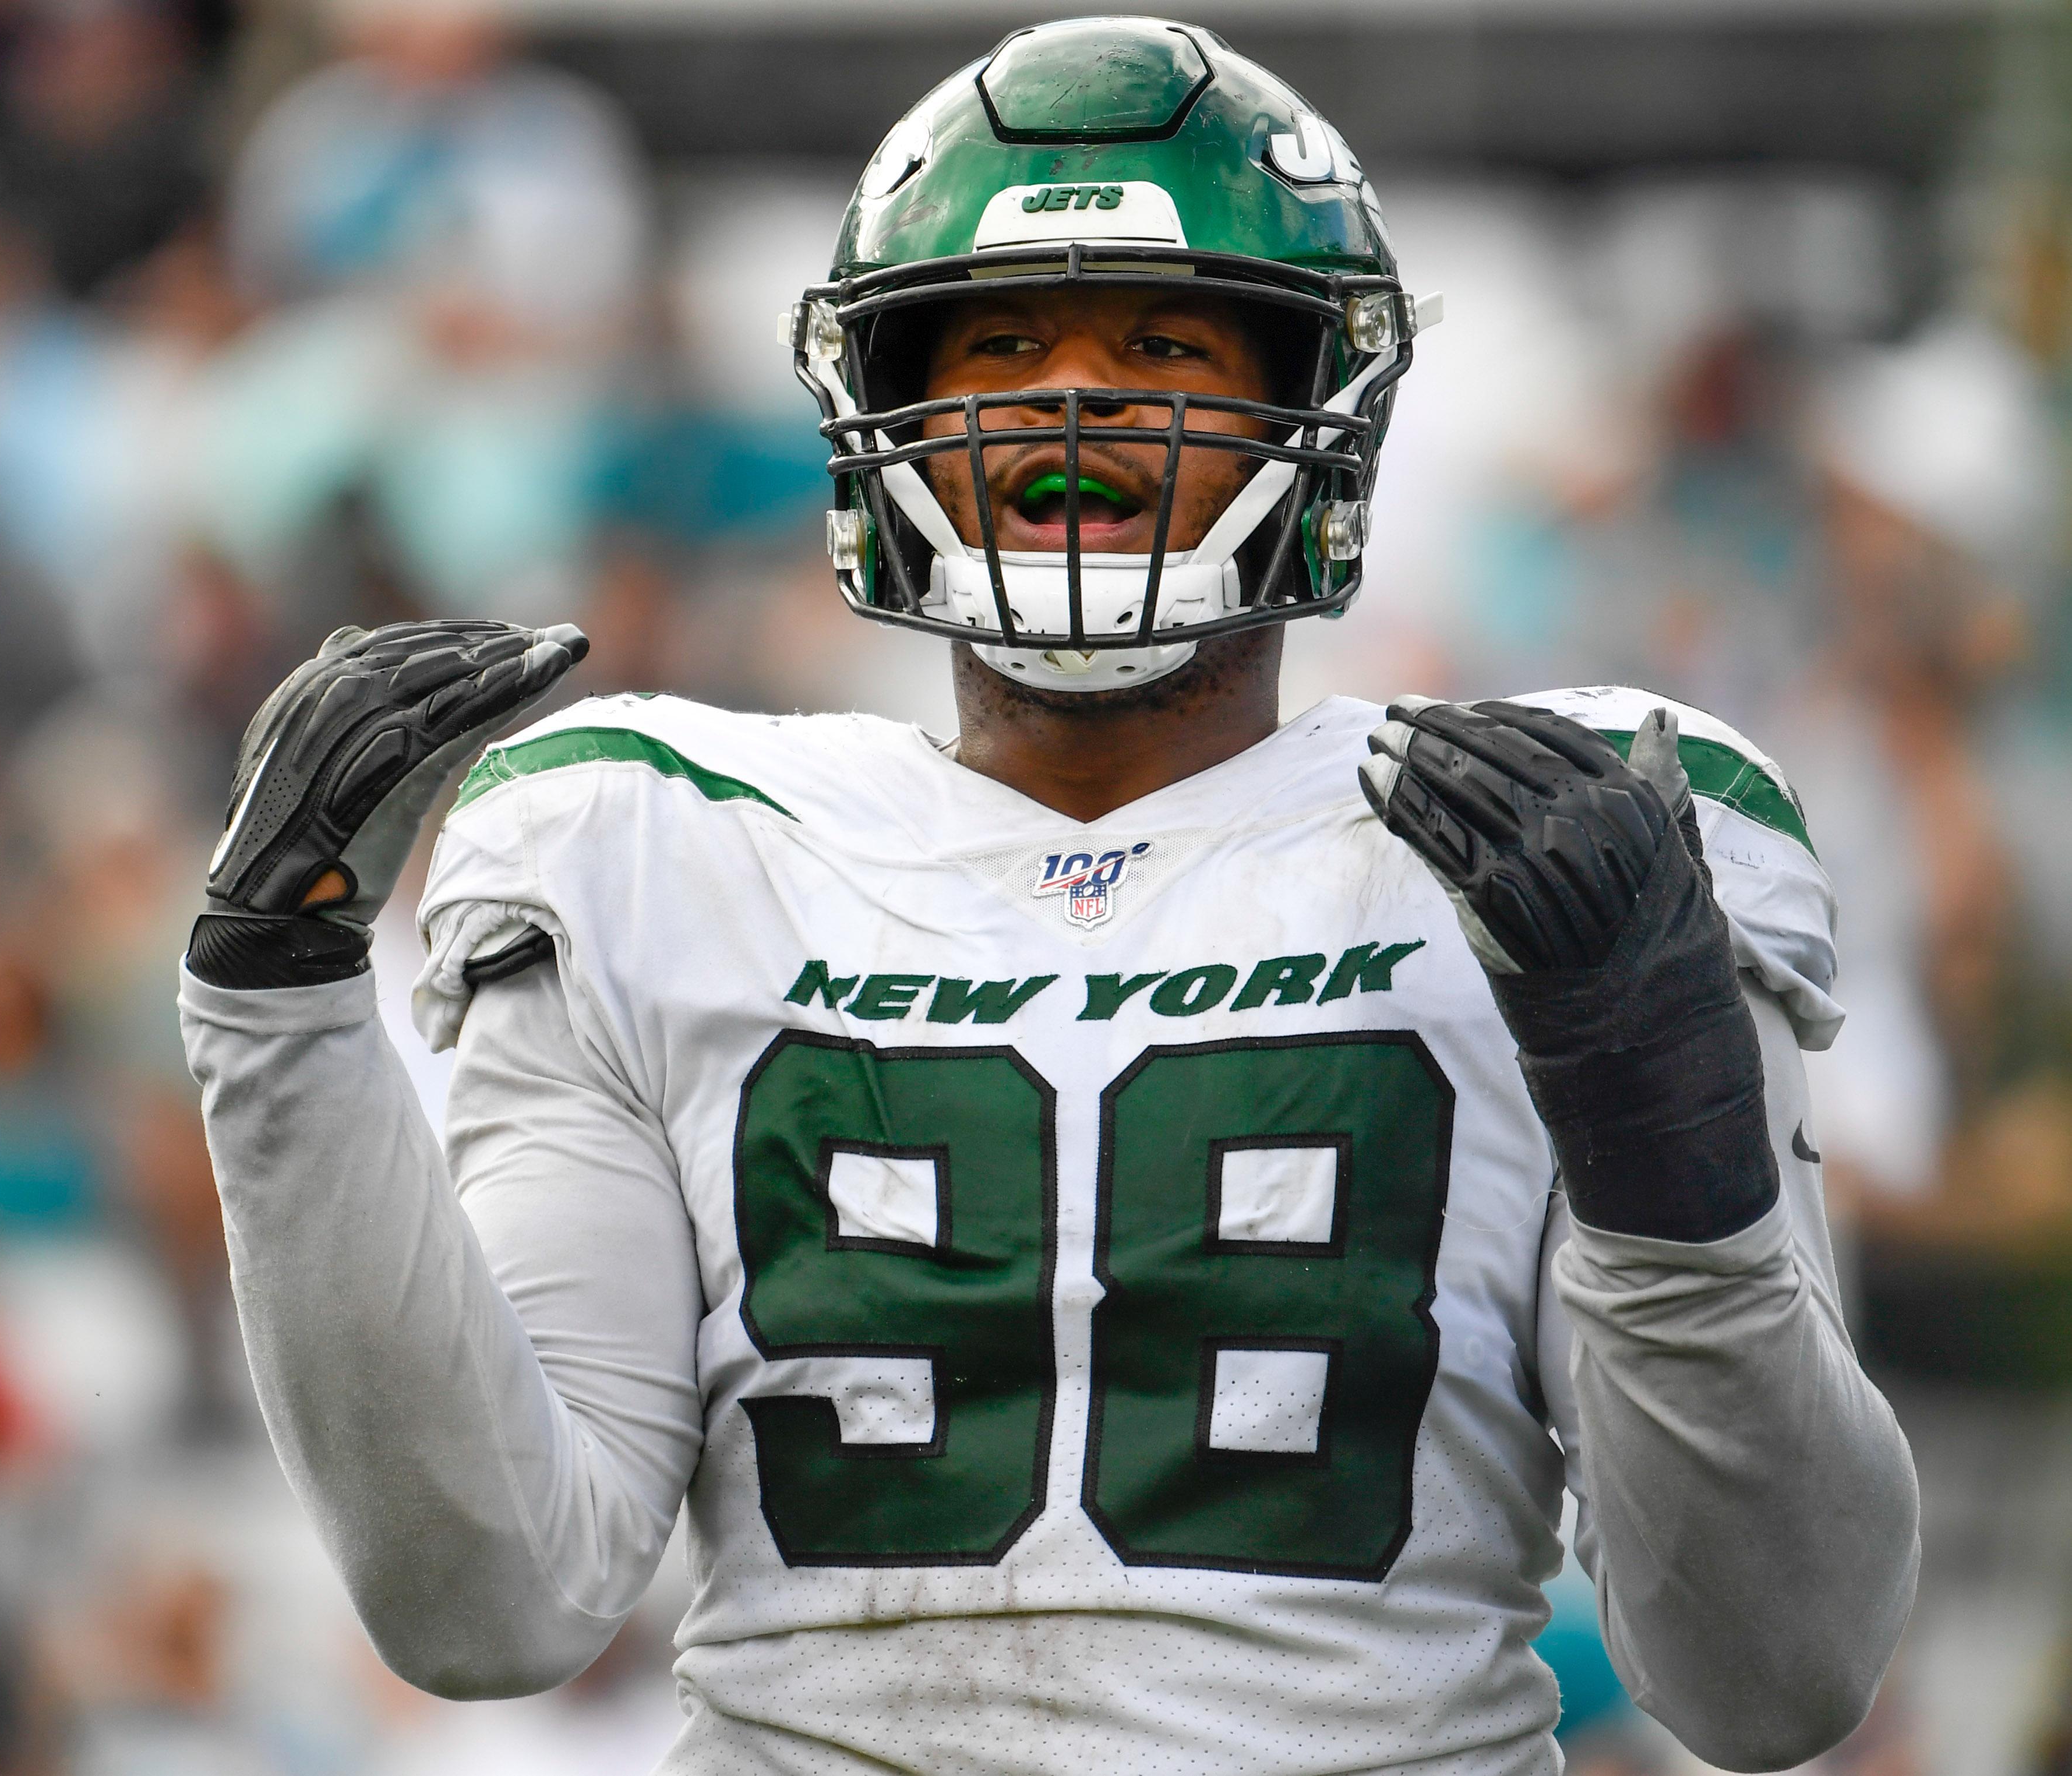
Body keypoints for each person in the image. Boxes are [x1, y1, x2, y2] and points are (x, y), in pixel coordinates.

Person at [179, 20, 1919, 1773]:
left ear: (1315, 402)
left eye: (1163, 343)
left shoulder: (1562, 839)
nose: (1074, 398)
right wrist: (282, 1020)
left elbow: (1774, 1674)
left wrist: (1654, 1132)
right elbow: (489, 1599)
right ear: (889, 414)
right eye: (1001, 346)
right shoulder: (646, 840)